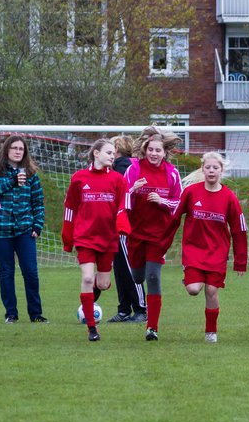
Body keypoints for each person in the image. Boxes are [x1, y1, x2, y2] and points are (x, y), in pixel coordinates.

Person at [164, 151, 248, 343]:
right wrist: (162, 244)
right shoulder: (191, 192)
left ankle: (211, 332)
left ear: (221, 171)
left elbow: (239, 230)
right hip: (194, 250)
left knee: (211, 291)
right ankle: (189, 278)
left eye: (215, 168)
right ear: (202, 169)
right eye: (208, 167)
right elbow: (174, 218)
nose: (211, 171)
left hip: (218, 253)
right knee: (194, 289)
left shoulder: (229, 197)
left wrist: (240, 261)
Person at [62, 138, 130, 342]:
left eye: (114, 153)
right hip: (85, 238)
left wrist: (123, 226)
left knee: (102, 283)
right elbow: (70, 208)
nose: (112, 156)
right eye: (109, 152)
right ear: (96, 154)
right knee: (88, 278)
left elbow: (122, 207)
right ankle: (92, 329)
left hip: (108, 239)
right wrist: (68, 236)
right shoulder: (79, 178)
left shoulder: (118, 179)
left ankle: (91, 296)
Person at [124, 128, 183, 342]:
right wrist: (132, 189)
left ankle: (152, 328)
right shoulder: (133, 169)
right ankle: (138, 274)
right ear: (145, 150)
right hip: (136, 233)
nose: (154, 153)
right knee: (138, 277)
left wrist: (162, 201)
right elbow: (121, 199)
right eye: (151, 149)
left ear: (164, 153)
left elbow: (179, 203)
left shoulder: (172, 173)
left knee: (152, 277)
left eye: (158, 150)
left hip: (159, 235)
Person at [0, 134, 47, 324]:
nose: (18, 152)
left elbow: (37, 201)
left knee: (30, 271)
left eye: (21, 149)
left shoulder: (30, 173)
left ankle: (35, 314)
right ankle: (10, 313)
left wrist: (37, 224)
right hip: (0, 229)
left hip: (24, 229)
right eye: (14, 148)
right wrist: (11, 181)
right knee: (6, 271)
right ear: (7, 150)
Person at [108, 135, 145, 324]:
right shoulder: (118, 167)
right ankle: (123, 309)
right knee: (120, 268)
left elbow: (122, 194)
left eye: (110, 149)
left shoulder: (123, 166)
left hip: (124, 226)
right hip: (116, 226)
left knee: (128, 267)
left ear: (117, 149)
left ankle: (141, 308)